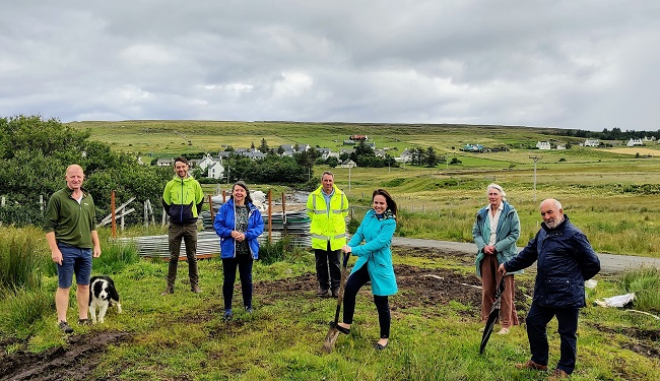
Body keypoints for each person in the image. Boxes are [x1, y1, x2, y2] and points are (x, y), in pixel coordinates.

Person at [498, 198, 600, 380]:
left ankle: (565, 369)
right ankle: (539, 361)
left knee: (567, 332)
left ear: (560, 212)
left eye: (550, 212)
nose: (546, 217)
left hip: (567, 294)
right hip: (544, 292)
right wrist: (507, 265)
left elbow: (593, 263)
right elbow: (527, 255)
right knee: (534, 322)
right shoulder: (542, 233)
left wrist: (574, 280)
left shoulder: (574, 235)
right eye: (543, 214)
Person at [332, 189, 398, 350]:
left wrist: (354, 251)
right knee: (350, 287)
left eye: (381, 203)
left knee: (381, 301)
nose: (378, 206)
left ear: (387, 204)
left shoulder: (390, 223)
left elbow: (378, 243)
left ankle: (384, 337)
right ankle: (346, 324)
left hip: (380, 264)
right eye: (376, 202)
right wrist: (349, 245)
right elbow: (360, 234)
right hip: (365, 262)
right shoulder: (369, 215)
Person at [44, 164, 102, 333]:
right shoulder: (57, 198)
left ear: (83, 177)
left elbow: (92, 225)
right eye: (72, 177)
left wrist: (96, 244)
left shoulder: (88, 198)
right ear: (66, 178)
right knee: (65, 285)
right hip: (66, 248)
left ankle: (83, 318)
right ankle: (62, 321)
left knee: (84, 285)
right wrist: (54, 249)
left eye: (79, 177)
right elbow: (49, 227)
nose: (76, 180)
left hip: (85, 249)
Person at [472, 183, 521, 335]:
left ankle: (506, 325)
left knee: (505, 291)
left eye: (495, 194)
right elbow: (476, 232)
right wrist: (483, 246)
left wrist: (497, 246)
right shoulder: (482, 213)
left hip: (504, 256)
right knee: (487, 290)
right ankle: (488, 322)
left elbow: (515, 234)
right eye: (490, 194)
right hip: (486, 255)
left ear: (501, 195)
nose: (492, 197)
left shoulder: (510, 212)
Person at [213, 181, 264, 321]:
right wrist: (230, 233)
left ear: (246, 193)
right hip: (230, 250)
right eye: (236, 190)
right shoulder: (225, 208)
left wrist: (246, 235)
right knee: (229, 280)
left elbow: (260, 227)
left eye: (241, 190)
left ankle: (248, 306)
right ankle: (228, 309)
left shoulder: (253, 210)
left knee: (246, 279)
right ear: (232, 192)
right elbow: (217, 225)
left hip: (247, 250)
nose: (239, 193)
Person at [161, 156, 205, 295]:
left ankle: (195, 286)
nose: (181, 169)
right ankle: (170, 287)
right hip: (175, 226)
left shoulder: (194, 184)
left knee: (192, 256)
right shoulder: (170, 185)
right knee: (174, 256)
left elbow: (199, 202)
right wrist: (174, 214)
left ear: (187, 167)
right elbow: (166, 203)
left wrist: (192, 215)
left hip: (190, 225)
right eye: (178, 167)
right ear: (175, 169)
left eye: (183, 166)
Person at [306, 171, 350, 298]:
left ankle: (336, 288)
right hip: (320, 238)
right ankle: (323, 288)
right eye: (326, 180)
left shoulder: (341, 196)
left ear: (333, 181)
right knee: (321, 264)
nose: (328, 183)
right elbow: (310, 213)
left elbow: (344, 213)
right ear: (322, 181)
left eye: (330, 180)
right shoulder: (313, 196)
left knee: (335, 264)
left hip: (336, 238)